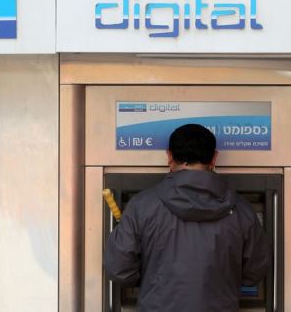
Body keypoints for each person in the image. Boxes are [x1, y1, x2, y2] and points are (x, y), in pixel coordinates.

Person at [104, 124, 269, 312]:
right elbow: (254, 271)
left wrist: (155, 277)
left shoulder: (140, 206)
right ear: (214, 158)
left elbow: (120, 270)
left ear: (169, 156)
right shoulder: (242, 210)